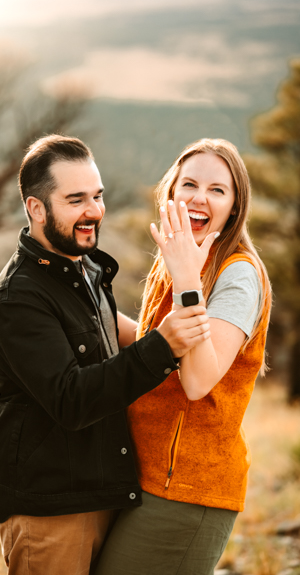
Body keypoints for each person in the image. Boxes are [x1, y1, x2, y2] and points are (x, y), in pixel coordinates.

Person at [0, 134, 211, 575]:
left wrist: (187, 307)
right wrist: (162, 345)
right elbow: (72, 399)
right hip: (51, 512)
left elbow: (117, 335)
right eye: (75, 200)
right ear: (36, 208)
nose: (94, 211)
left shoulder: (81, 267)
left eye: (97, 196)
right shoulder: (18, 301)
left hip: (103, 493)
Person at [94, 138, 272, 575]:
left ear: (235, 207)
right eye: (189, 183)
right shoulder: (180, 261)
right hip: (145, 474)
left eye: (217, 189)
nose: (198, 197)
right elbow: (160, 347)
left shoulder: (237, 275)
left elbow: (197, 380)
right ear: (170, 191)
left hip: (189, 491)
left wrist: (187, 279)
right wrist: (81, 298)